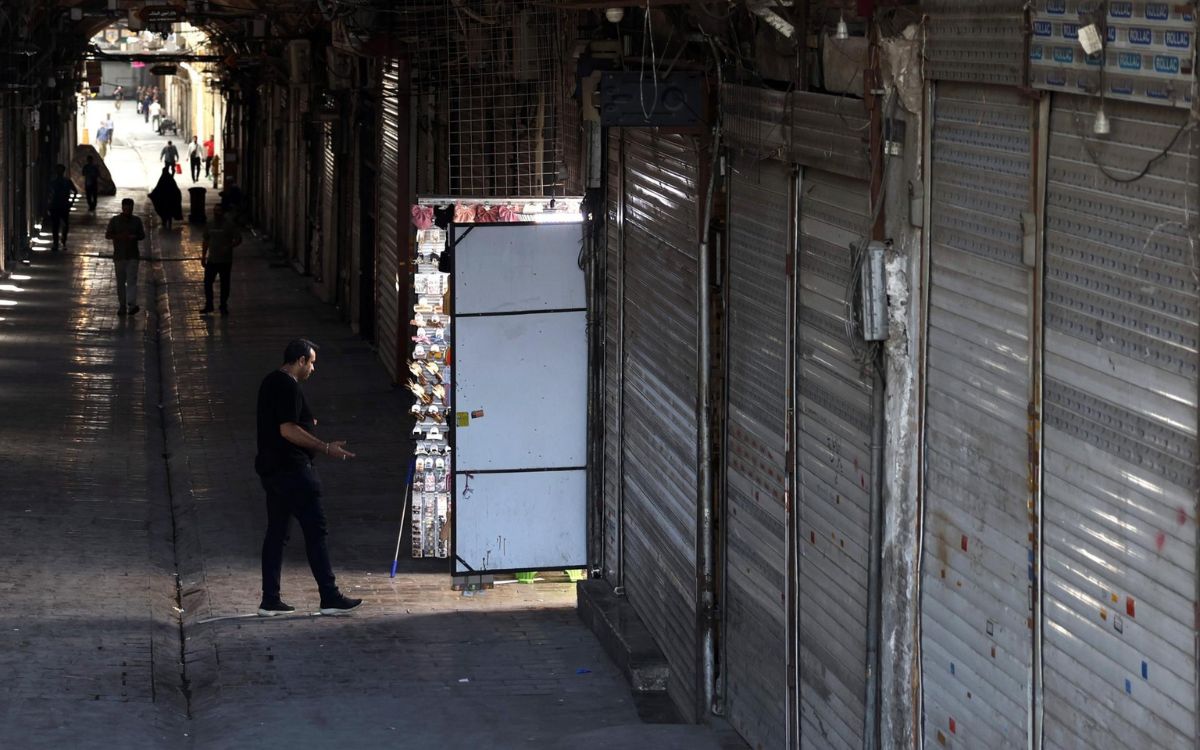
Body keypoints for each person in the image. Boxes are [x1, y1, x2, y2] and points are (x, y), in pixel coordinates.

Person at [255, 339, 362, 617]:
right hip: (293, 471)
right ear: (300, 360)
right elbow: (288, 429)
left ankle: (270, 599)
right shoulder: (288, 385)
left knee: (277, 533)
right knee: (316, 532)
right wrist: (325, 447)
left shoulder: (270, 382)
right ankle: (329, 595)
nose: (313, 368)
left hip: (273, 471)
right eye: (311, 362)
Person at [104, 198, 146, 316]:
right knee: (121, 282)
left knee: (132, 281)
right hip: (119, 256)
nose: (127, 210)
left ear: (132, 208)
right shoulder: (115, 221)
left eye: (130, 208)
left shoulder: (137, 221)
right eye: (126, 208)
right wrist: (119, 236)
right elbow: (108, 235)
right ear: (122, 208)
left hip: (132, 255)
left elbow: (142, 235)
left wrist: (134, 237)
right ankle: (122, 305)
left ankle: (131, 305)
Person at [200, 204, 242, 315]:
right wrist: (203, 256)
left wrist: (229, 246)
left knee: (225, 284)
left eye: (218, 210)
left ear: (223, 212)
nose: (216, 212)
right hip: (212, 259)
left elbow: (238, 239)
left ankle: (223, 305)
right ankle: (209, 305)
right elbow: (205, 240)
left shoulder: (229, 225)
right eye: (215, 210)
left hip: (225, 260)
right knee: (207, 282)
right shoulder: (209, 224)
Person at [46, 164, 77, 251]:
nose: (59, 172)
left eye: (60, 170)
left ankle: (63, 241)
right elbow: (48, 195)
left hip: (63, 205)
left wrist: (71, 202)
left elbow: (75, 191)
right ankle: (56, 243)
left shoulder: (67, 182)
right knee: (55, 225)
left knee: (65, 225)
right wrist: (49, 204)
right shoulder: (53, 182)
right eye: (58, 170)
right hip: (55, 206)